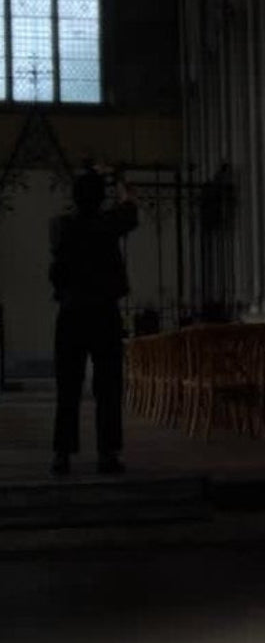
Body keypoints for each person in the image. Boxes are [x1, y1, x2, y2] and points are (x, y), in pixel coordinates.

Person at [50, 165, 138, 476]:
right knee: (108, 388)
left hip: (72, 313)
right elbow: (130, 209)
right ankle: (107, 454)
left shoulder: (62, 226)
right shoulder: (106, 225)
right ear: (101, 198)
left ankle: (62, 455)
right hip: (103, 313)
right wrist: (121, 183)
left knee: (68, 388)